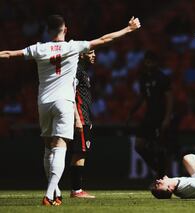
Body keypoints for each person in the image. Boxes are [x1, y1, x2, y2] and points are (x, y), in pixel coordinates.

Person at [0, 14, 141, 206]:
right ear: (65, 30)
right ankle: (50, 194)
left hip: (44, 102)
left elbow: (9, 54)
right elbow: (105, 39)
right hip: (64, 102)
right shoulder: (73, 46)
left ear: (47, 30)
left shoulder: (39, 48)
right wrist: (129, 29)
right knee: (60, 146)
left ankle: (55, 191)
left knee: (48, 147)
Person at [127, 51, 173, 178]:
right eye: (147, 61)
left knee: (160, 147)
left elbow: (169, 98)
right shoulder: (144, 78)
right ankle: (159, 171)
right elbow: (142, 97)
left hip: (160, 116)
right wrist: (132, 111)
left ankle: (163, 176)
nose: (148, 63)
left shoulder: (162, 78)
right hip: (149, 116)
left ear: (156, 62)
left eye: (151, 61)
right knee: (139, 145)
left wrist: (167, 118)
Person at [70, 50, 96, 198]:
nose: (94, 55)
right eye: (91, 52)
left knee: (80, 152)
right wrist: (77, 119)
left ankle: (76, 189)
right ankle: (76, 190)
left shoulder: (84, 72)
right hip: (79, 116)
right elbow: (71, 93)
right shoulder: (77, 71)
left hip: (84, 116)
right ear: (81, 55)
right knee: (80, 152)